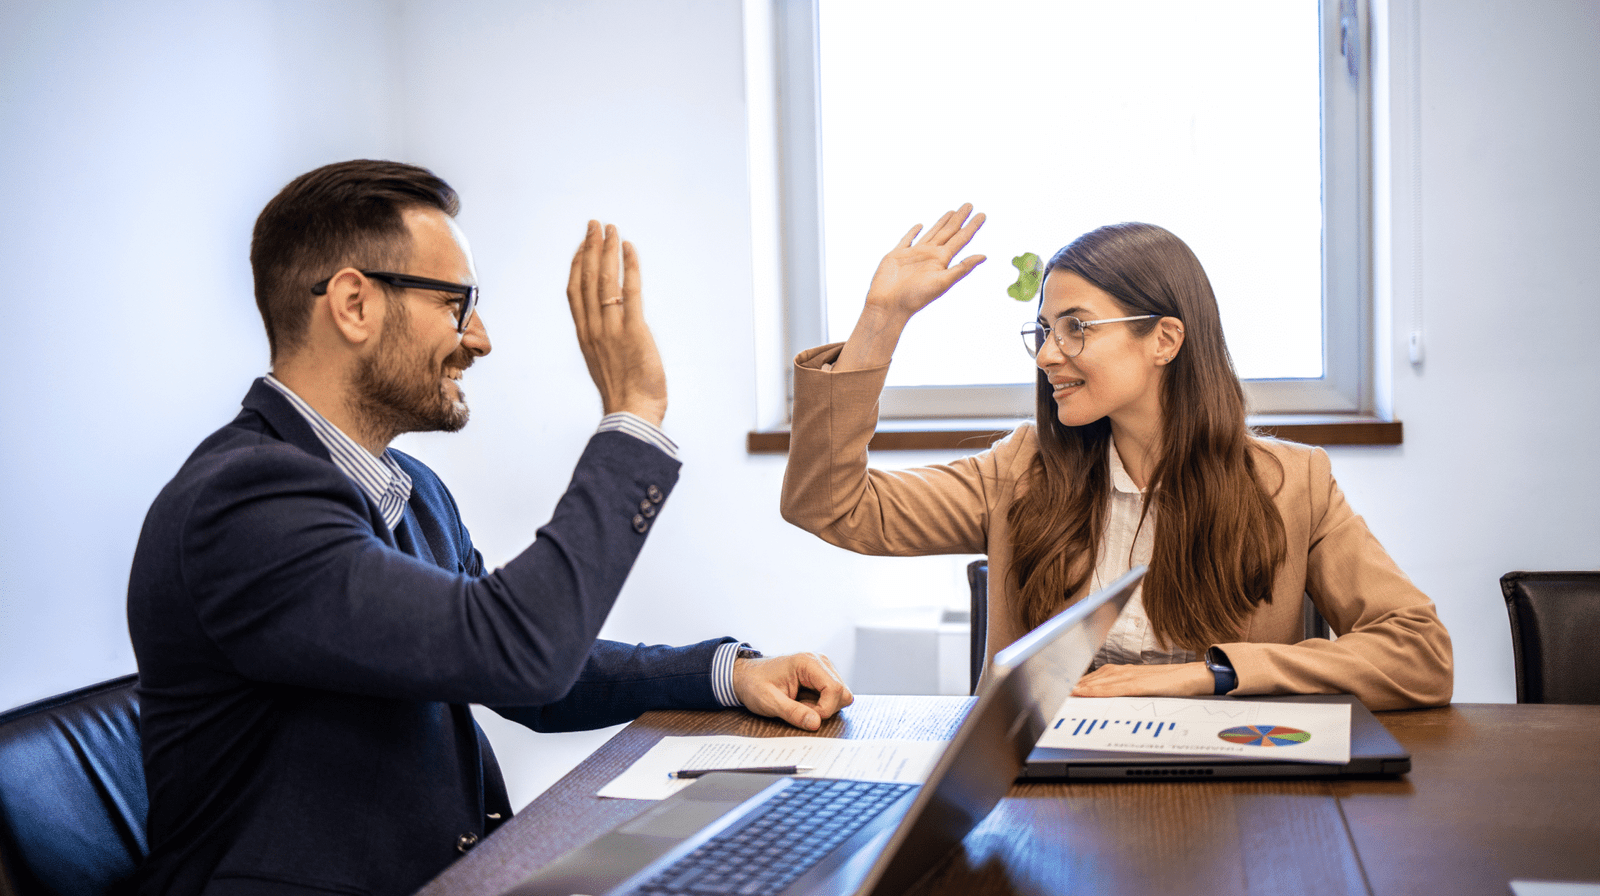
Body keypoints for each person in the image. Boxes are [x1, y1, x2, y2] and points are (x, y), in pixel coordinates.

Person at [126, 159, 851, 896]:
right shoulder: (244, 502)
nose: (481, 339)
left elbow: (530, 675)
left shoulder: (413, 492)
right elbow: (517, 650)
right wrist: (632, 414)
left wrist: (727, 674)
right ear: (353, 304)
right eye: (458, 305)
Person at [781, 206, 1451, 711]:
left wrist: (1210, 672)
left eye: (1076, 327)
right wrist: (880, 322)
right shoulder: (1019, 473)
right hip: (1050, 798)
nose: (1048, 353)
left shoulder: (1294, 483)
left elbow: (1419, 653)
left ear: (1165, 338)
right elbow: (831, 507)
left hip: (1232, 796)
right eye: (1044, 331)